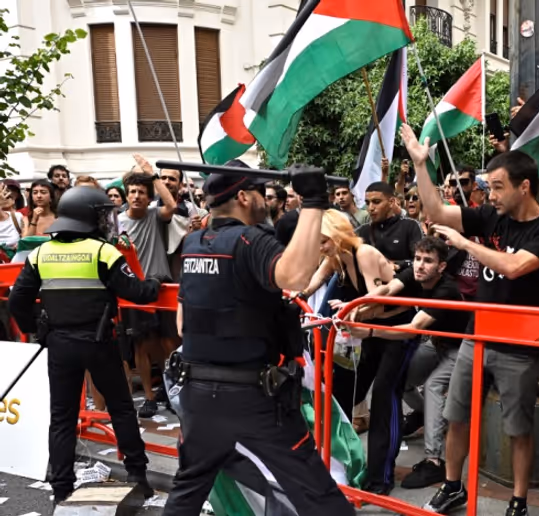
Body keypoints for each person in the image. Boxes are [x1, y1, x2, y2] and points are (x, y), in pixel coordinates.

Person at [161, 164, 355, 516]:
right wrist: (314, 201)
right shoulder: (250, 240)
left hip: (199, 395)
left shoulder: (194, 244)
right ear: (243, 196)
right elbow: (294, 277)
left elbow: (182, 322)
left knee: (188, 489)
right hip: (254, 397)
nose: (265, 199)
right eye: (260, 192)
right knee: (315, 492)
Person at [401, 124, 539, 516]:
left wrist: (464, 244)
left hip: (518, 345)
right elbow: (437, 212)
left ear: (523, 187)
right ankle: (452, 486)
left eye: (497, 187)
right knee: (456, 417)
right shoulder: (492, 216)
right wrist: (421, 166)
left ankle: (519, 501)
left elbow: (514, 267)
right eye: (488, 187)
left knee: (518, 429)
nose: (490, 195)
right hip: (476, 337)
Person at [8, 187, 163, 507]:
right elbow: (137, 292)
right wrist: (156, 283)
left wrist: (36, 330)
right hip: (99, 343)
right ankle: (138, 477)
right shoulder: (103, 252)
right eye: (102, 215)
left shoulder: (40, 254)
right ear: (87, 218)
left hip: (60, 344)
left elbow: (17, 301)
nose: (106, 221)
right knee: (121, 409)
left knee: (62, 418)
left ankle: (62, 488)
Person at [300, 210, 408, 495]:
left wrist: (351, 310)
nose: (321, 247)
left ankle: (381, 477)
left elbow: (377, 302)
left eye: (324, 241)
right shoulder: (336, 257)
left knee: (384, 397)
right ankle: (344, 464)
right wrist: (295, 297)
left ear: (337, 235)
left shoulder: (364, 254)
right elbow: (312, 283)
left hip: (397, 331)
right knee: (343, 392)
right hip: (367, 332)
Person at [350, 236, 471, 489]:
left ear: (441, 266)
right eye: (417, 259)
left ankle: (433, 460)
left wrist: (369, 331)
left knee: (433, 386)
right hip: (436, 343)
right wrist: (355, 307)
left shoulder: (447, 290)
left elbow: (413, 328)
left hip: (461, 347)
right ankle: (429, 415)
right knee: (403, 380)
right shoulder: (413, 274)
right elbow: (386, 291)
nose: (420, 265)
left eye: (428, 261)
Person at [119, 154, 177, 418]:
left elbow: (171, 204)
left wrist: (152, 174)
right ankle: (150, 397)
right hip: (133, 290)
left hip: (162, 288)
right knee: (141, 345)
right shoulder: (117, 222)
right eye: (132, 191)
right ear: (126, 195)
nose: (136, 196)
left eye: (141, 192)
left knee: (168, 342)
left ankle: (171, 390)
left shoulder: (155, 214)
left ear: (149, 196)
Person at [356, 181, 423, 271]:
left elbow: (421, 260)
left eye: (376, 202)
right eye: (367, 203)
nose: (371, 208)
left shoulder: (410, 226)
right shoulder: (363, 231)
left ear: (391, 202)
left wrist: (398, 266)